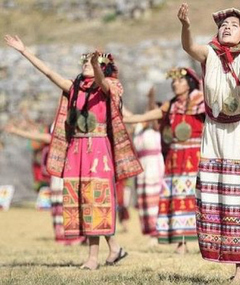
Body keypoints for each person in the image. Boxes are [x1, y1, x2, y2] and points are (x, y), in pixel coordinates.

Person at [4, 34, 142, 270]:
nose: (85, 65)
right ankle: (115, 248)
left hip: (98, 149)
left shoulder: (110, 87)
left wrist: (97, 66)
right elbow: (48, 73)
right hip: (76, 150)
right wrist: (24, 51)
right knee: (82, 201)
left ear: (103, 67)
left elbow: (102, 81)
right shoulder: (74, 88)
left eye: (91, 63)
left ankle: (92, 258)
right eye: (85, 63)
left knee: (96, 200)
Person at [177, 3, 240, 281]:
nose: (226, 27)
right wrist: (186, 26)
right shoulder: (209, 54)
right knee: (219, 200)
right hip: (215, 134)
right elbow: (189, 48)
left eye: (233, 25)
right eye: (223, 25)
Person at [123, 67, 204, 254]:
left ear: (190, 83)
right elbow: (148, 116)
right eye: (174, 82)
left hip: (196, 155)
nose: (176, 84)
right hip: (176, 159)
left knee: (199, 198)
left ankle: (204, 240)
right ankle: (181, 243)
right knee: (177, 199)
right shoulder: (171, 105)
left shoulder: (201, 101)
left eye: (180, 81)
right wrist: (128, 118)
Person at [4, 124, 86, 246]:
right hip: (58, 167)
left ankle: (75, 236)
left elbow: (49, 138)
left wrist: (18, 131)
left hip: (69, 166)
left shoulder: (70, 119)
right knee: (58, 201)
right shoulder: (55, 122)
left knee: (69, 201)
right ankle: (63, 235)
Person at [130, 88, 164, 242]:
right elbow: (126, 115)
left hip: (154, 166)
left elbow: (153, 116)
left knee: (155, 200)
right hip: (142, 167)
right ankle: (150, 231)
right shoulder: (138, 127)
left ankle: (158, 232)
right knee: (144, 201)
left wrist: (152, 98)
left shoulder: (156, 127)